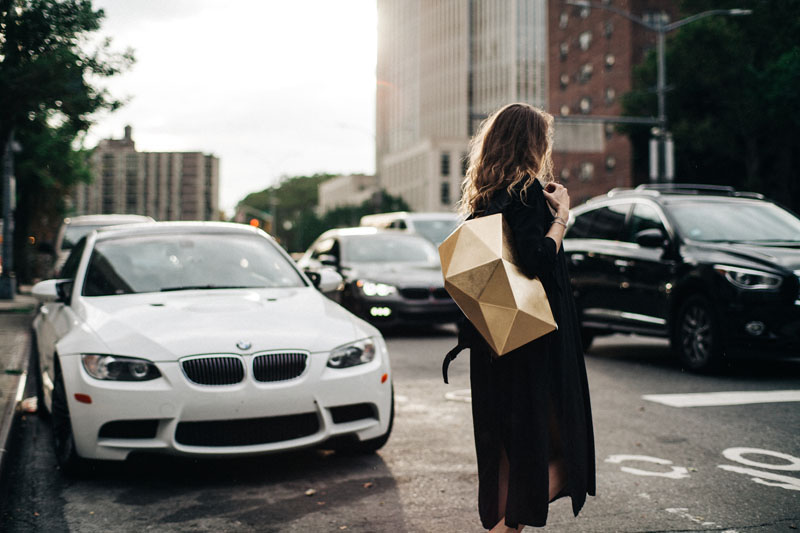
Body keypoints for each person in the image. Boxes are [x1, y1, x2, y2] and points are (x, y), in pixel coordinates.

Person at [453, 102, 596, 531]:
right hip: (534, 349)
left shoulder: (483, 201)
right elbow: (536, 259)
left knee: (504, 454)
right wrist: (562, 218)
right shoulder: (529, 195)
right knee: (566, 459)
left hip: (495, 345)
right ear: (532, 144)